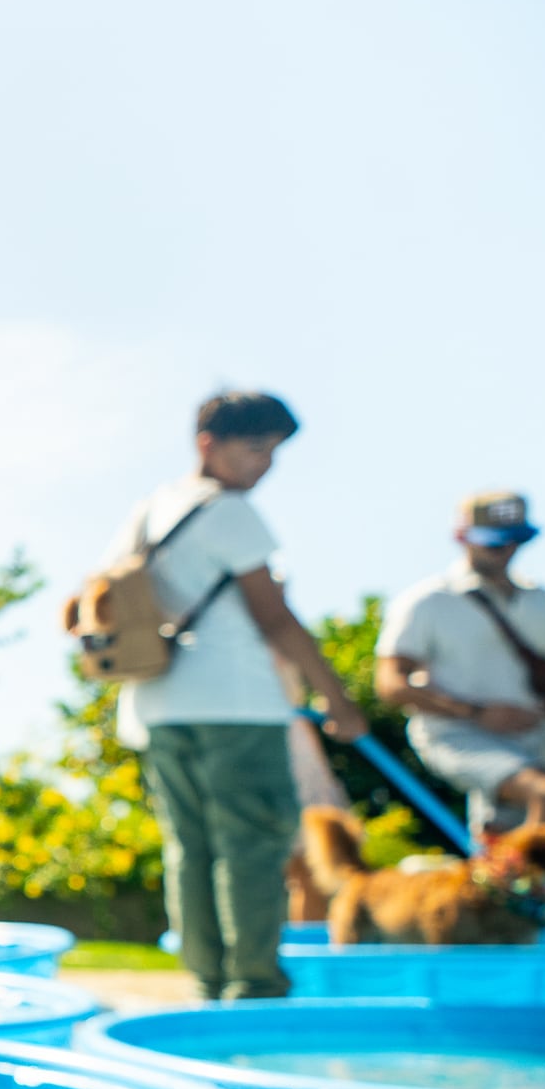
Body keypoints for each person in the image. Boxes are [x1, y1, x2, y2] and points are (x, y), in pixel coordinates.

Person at [111, 391, 366, 1001]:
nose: (266, 465)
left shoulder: (148, 510)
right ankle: (254, 983)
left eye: (274, 451)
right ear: (208, 444)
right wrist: (337, 697)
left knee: (190, 845)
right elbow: (274, 618)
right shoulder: (229, 512)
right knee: (252, 841)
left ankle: (207, 979)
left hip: (157, 704)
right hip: (234, 702)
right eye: (255, 448)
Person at [376, 491, 545, 832]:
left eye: (515, 540)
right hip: (460, 737)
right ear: (461, 537)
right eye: (494, 542)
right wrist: (477, 714)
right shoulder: (428, 601)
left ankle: (511, 881)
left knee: (505, 837)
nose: (506, 551)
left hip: (538, 742)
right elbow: (390, 684)